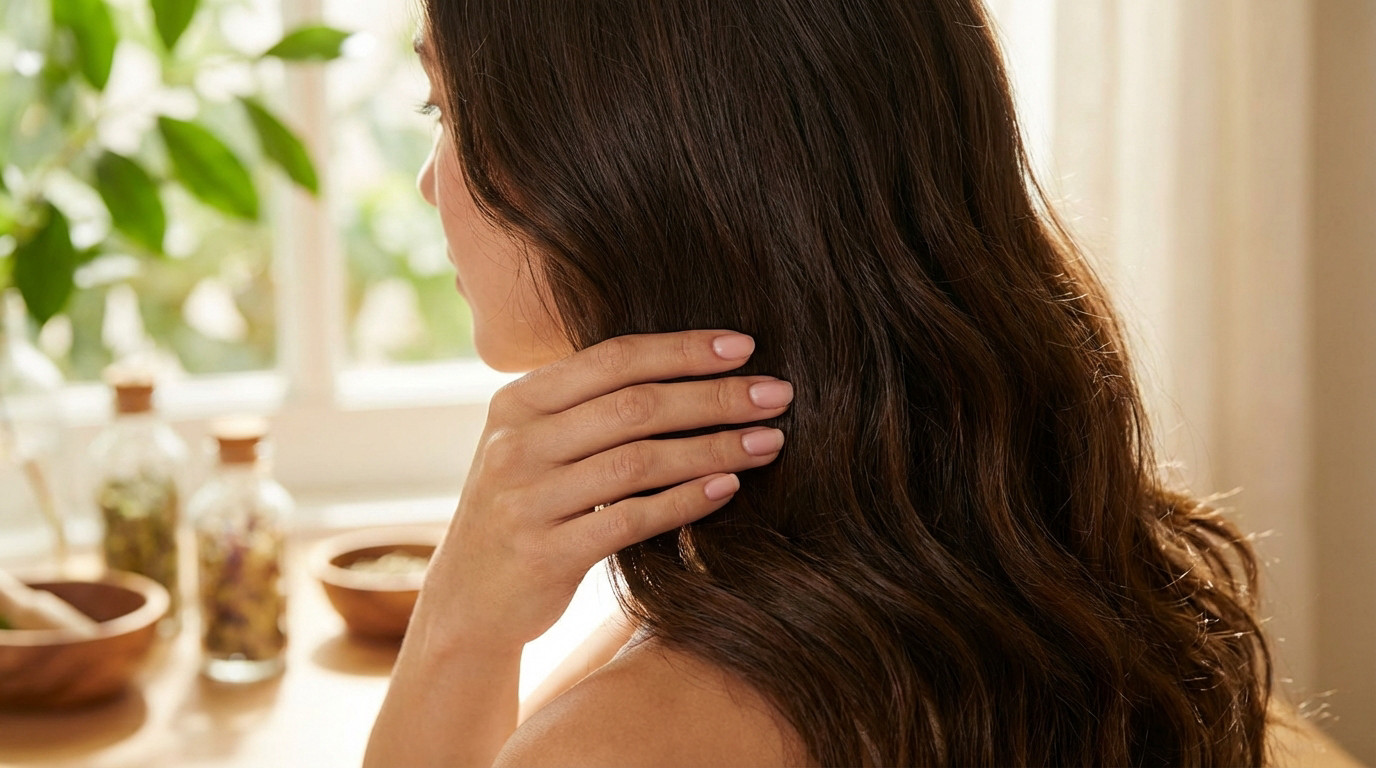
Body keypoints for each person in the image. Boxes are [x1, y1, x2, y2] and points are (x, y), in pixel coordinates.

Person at [364, 1, 1358, 765]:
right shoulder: (1016, 554)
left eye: (446, 110)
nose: (426, 181)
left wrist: (457, 629)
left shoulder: (624, 739)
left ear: (629, 168)